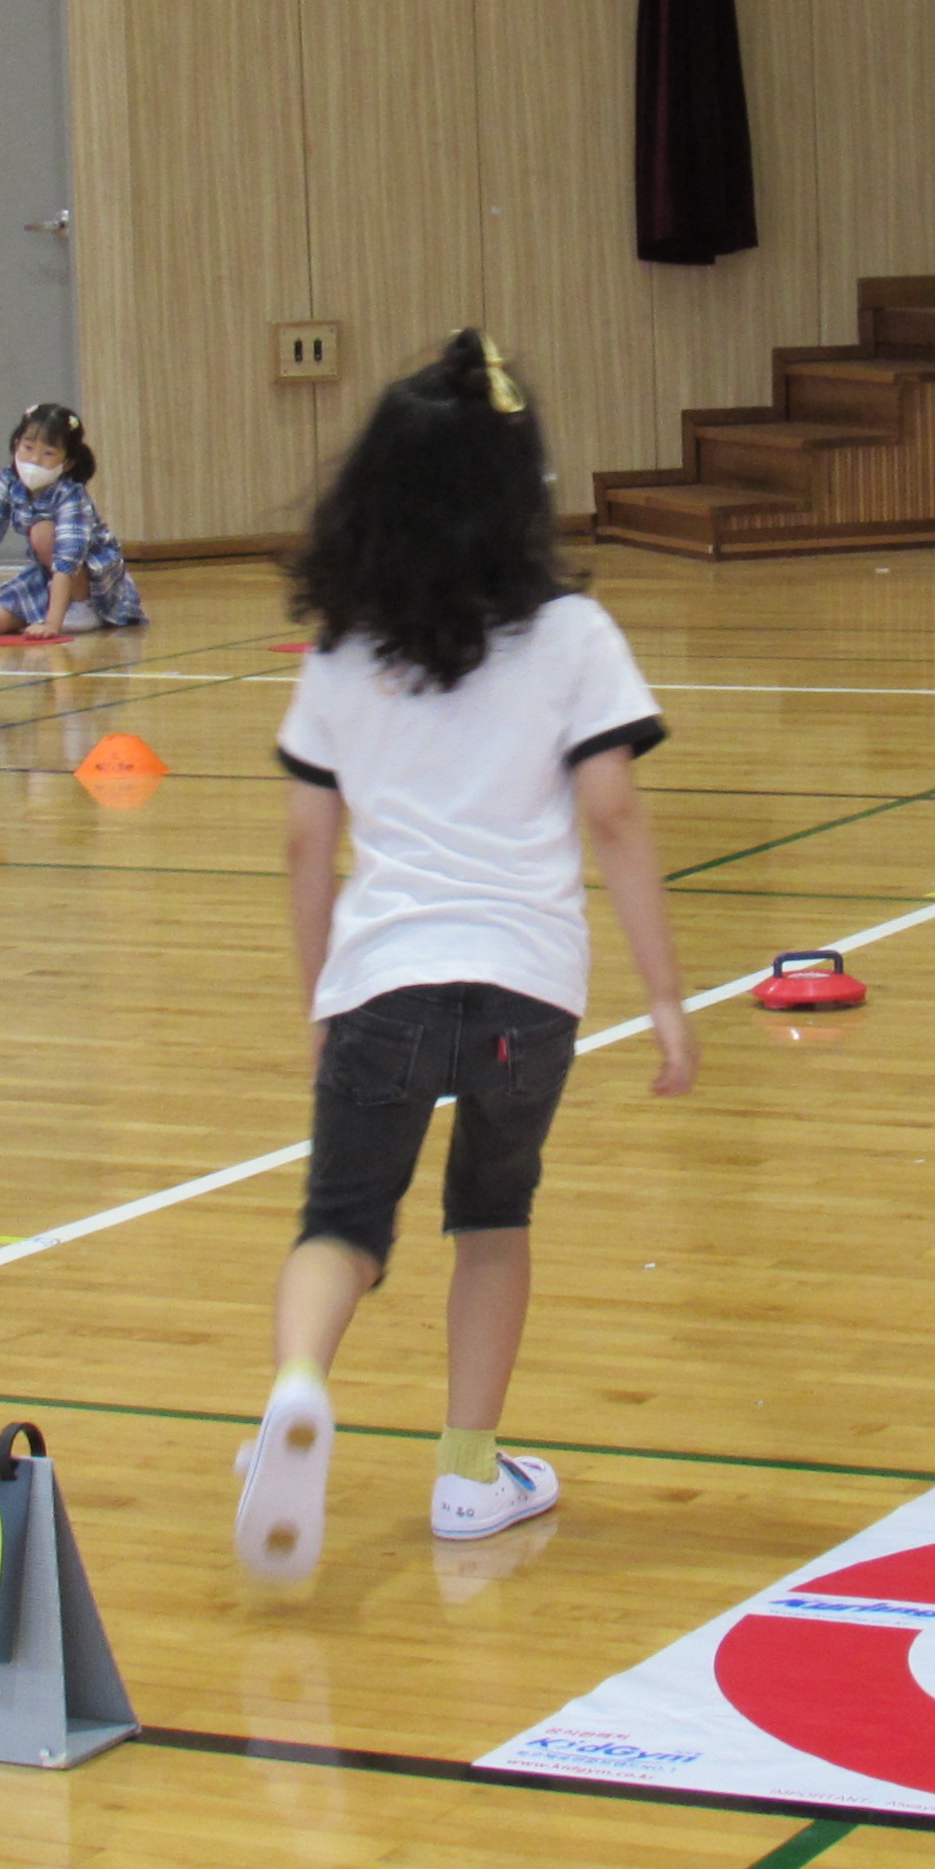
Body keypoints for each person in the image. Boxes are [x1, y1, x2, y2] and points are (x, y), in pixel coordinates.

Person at [235, 333, 697, 1583]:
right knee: (491, 1216)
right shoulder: (573, 636)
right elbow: (613, 815)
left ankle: (295, 1388)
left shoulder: (338, 654)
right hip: (526, 992)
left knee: (341, 1221)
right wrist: (663, 997)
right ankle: (465, 1472)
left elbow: (302, 844)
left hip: (381, 979)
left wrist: (318, 999)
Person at [0, 401, 147, 634]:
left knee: (42, 532)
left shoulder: (70, 494)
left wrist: (52, 624)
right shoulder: (9, 480)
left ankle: (84, 607)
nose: (34, 460)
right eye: (28, 448)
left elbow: (68, 558)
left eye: (48, 453)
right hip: (48, 575)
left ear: (67, 462)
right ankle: (53, 609)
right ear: (16, 444)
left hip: (91, 577)